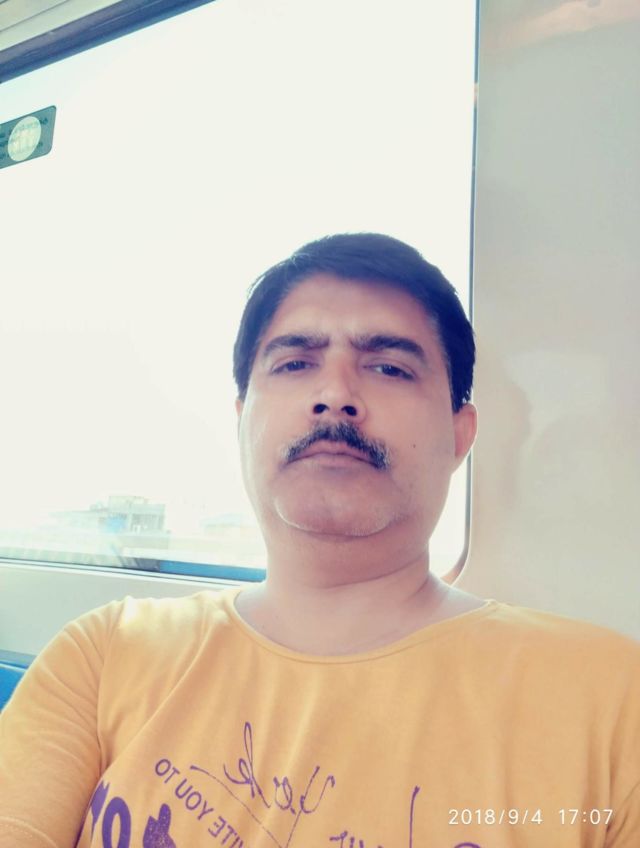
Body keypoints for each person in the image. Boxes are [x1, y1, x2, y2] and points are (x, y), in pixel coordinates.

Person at [0, 233, 638, 848]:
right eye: (295, 363)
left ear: (460, 435)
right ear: (242, 419)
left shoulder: (611, 700)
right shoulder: (104, 654)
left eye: (388, 367)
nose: (335, 395)